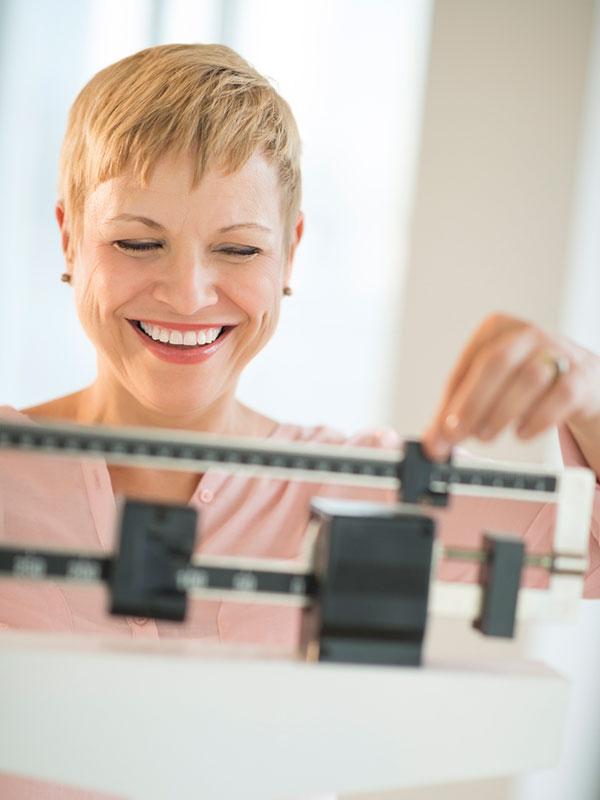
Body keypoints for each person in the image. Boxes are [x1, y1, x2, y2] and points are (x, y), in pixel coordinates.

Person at [0, 42, 599, 799]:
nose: (187, 294)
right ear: (67, 238)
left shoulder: (365, 492)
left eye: (238, 248)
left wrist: (590, 394)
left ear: (291, 255)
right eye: (137, 242)